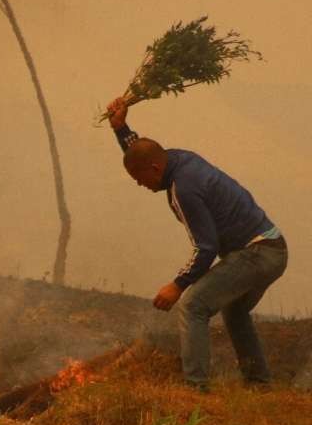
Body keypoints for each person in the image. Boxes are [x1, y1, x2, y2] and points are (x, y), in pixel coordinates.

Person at [106, 98, 288, 391]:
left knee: (193, 306)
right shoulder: (177, 158)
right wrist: (121, 128)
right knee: (234, 310)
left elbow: (206, 248)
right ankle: (259, 384)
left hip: (255, 253)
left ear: (154, 169)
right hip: (273, 248)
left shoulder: (184, 189)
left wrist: (177, 285)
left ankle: (195, 389)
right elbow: (141, 152)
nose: (140, 185)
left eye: (138, 179)